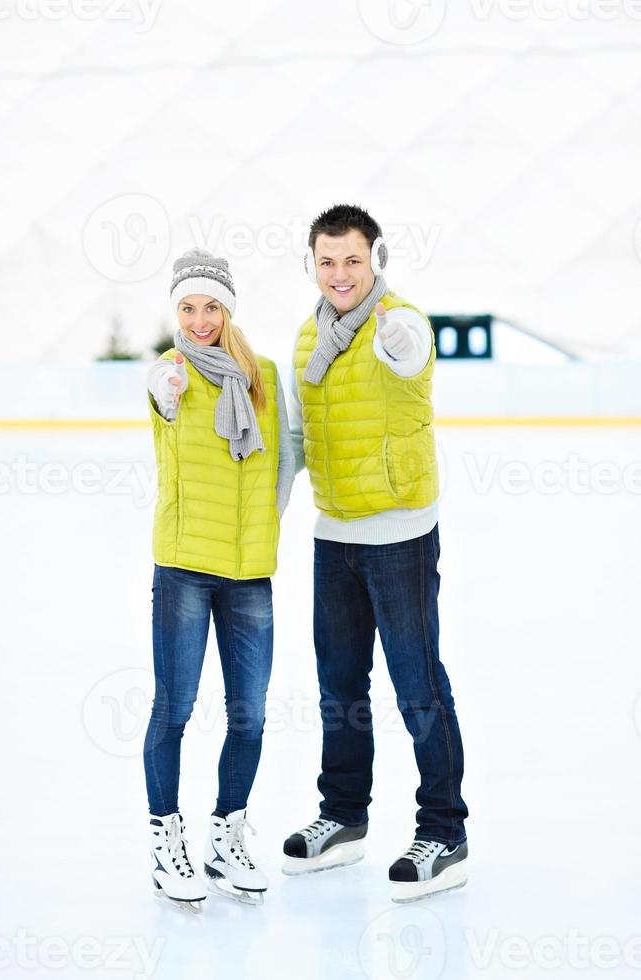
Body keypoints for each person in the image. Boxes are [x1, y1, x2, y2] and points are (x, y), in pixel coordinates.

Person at [283, 205, 469, 902]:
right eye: (327, 261)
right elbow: (298, 440)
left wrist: (393, 328)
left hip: (400, 539)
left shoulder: (402, 322)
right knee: (339, 690)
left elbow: (410, 353)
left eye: (352, 260)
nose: (340, 274)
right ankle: (344, 816)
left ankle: (445, 831)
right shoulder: (308, 337)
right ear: (313, 264)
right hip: (335, 537)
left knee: (418, 687)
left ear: (375, 261)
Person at [143, 247, 295, 910]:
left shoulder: (262, 376)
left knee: (251, 717)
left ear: (228, 309)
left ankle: (226, 834)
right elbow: (162, 403)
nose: (199, 319)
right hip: (183, 569)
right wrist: (164, 393)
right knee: (173, 708)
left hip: (248, 573)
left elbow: (285, 461)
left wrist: (263, 526)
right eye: (187, 307)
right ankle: (165, 837)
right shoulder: (170, 374)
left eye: (210, 306)